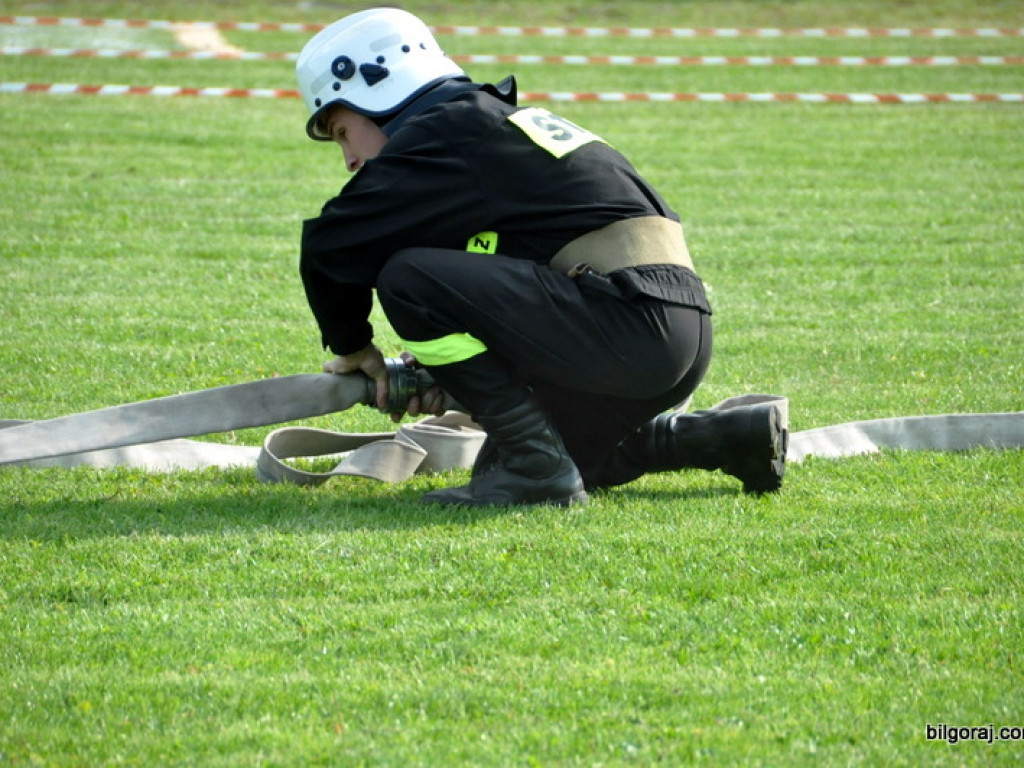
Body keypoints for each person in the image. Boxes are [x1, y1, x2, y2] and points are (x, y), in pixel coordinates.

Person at [295, 8, 786, 507]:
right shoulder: (488, 126)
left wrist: (354, 347)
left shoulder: (447, 131)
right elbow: (517, 287)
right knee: (545, 461)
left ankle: (537, 472)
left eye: (341, 132)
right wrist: (453, 372)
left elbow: (330, 244)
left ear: (376, 90)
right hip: (674, 331)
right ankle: (728, 436)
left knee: (407, 278)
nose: (350, 159)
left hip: (628, 324)